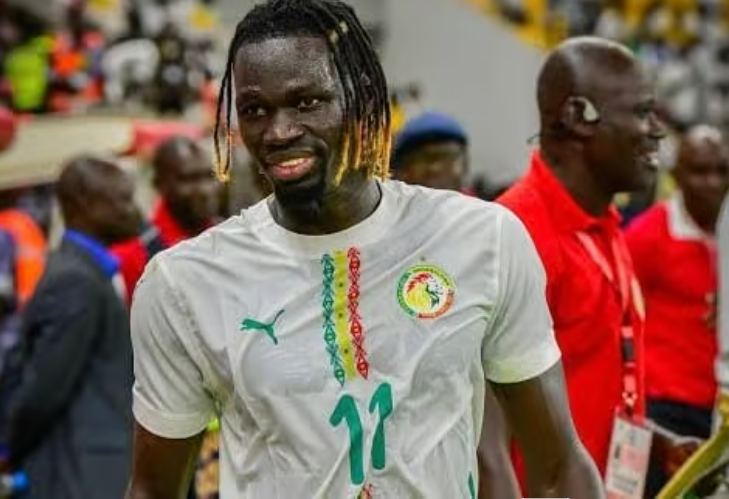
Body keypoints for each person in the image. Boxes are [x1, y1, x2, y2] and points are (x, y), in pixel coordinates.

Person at [125, 1, 603, 498]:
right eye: (255, 111)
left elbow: (558, 469)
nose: (279, 132)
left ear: (363, 96)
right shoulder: (184, 283)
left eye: (306, 102)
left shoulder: (483, 240)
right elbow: (152, 492)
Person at [496, 36, 665, 495]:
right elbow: (487, 437)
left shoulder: (605, 225)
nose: (657, 130)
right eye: (642, 112)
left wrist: (659, 443)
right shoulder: (517, 233)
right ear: (576, 116)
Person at [389, 109, 518, 496]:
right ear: (401, 173)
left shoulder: (489, 234)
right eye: (427, 161)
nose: (440, 170)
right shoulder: (386, 243)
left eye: (450, 159)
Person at [0, 156, 140, 499]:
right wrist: (9, 451)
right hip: (77, 474)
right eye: (122, 200)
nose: (134, 211)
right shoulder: (76, 280)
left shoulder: (88, 271)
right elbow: (43, 389)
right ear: (84, 204)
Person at [624, 125, 728, 496]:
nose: (713, 182)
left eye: (722, 170)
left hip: (718, 407)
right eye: (700, 171)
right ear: (677, 175)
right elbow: (617, 311)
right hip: (664, 408)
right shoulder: (648, 234)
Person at [112, 135, 219, 304]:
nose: (205, 190)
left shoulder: (231, 235)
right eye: (189, 179)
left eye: (210, 176)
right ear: (159, 183)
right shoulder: (131, 254)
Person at [390, 111, 470, 193]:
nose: (435, 168)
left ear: (465, 166)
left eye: (446, 157)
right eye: (424, 159)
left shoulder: (476, 201)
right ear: (403, 170)